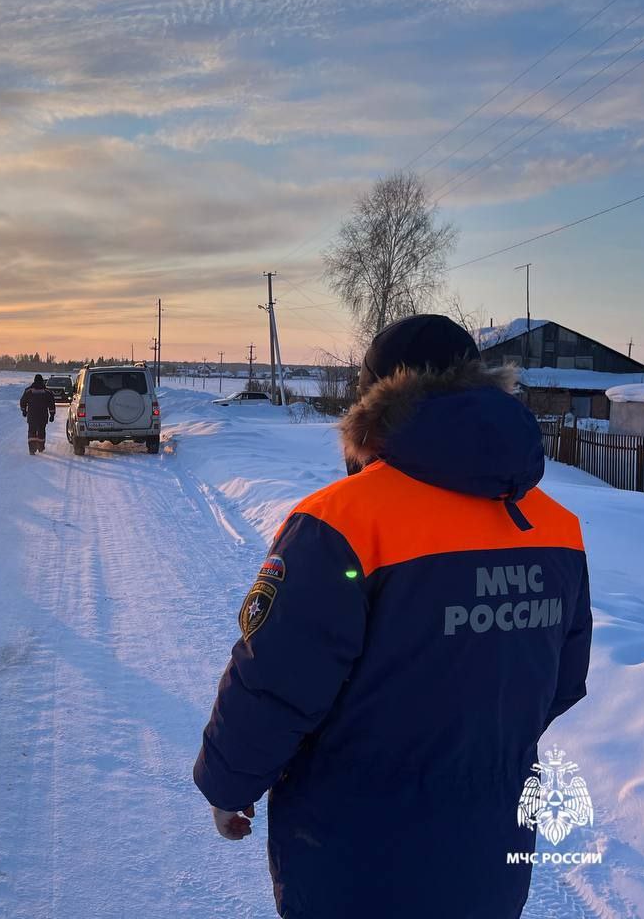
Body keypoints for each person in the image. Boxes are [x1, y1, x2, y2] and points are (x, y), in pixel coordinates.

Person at [194, 315, 592, 919]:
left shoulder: (342, 523)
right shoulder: (556, 527)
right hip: (492, 855)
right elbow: (561, 681)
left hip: (354, 856)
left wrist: (228, 783)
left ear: (375, 398)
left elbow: (276, 679)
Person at [19, 374, 57, 455]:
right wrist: (52, 414)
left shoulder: (28, 391)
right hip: (43, 416)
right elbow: (51, 404)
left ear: (34, 380)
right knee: (41, 431)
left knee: (32, 431)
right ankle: (40, 447)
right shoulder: (47, 392)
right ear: (42, 381)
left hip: (32, 415)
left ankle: (32, 449)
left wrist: (24, 411)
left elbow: (23, 401)